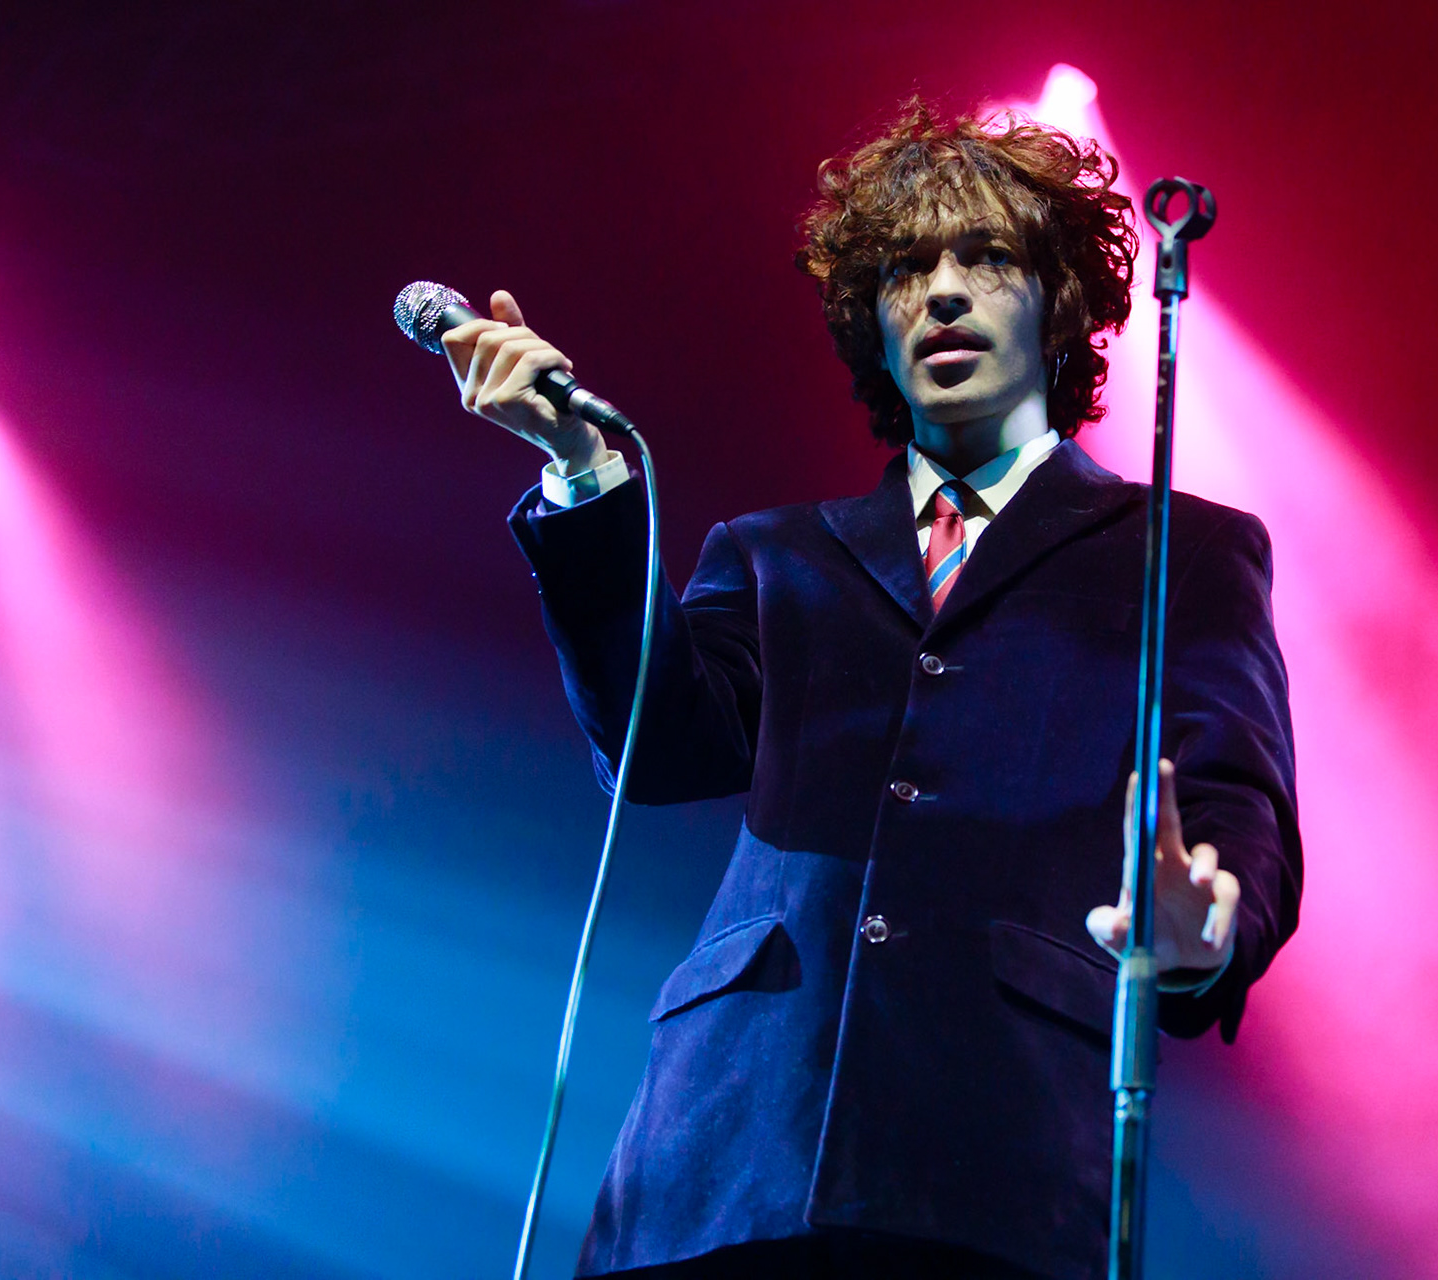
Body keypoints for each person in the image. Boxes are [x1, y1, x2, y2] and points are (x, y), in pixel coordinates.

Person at [442, 99, 1301, 1280]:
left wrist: (1211, 924)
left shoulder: (1182, 550)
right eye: (905, 269)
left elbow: (1236, 794)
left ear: (1058, 301)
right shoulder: (777, 551)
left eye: (985, 257)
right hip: (729, 1149)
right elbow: (656, 749)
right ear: (873, 323)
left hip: (993, 1158)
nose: (942, 291)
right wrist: (585, 472)